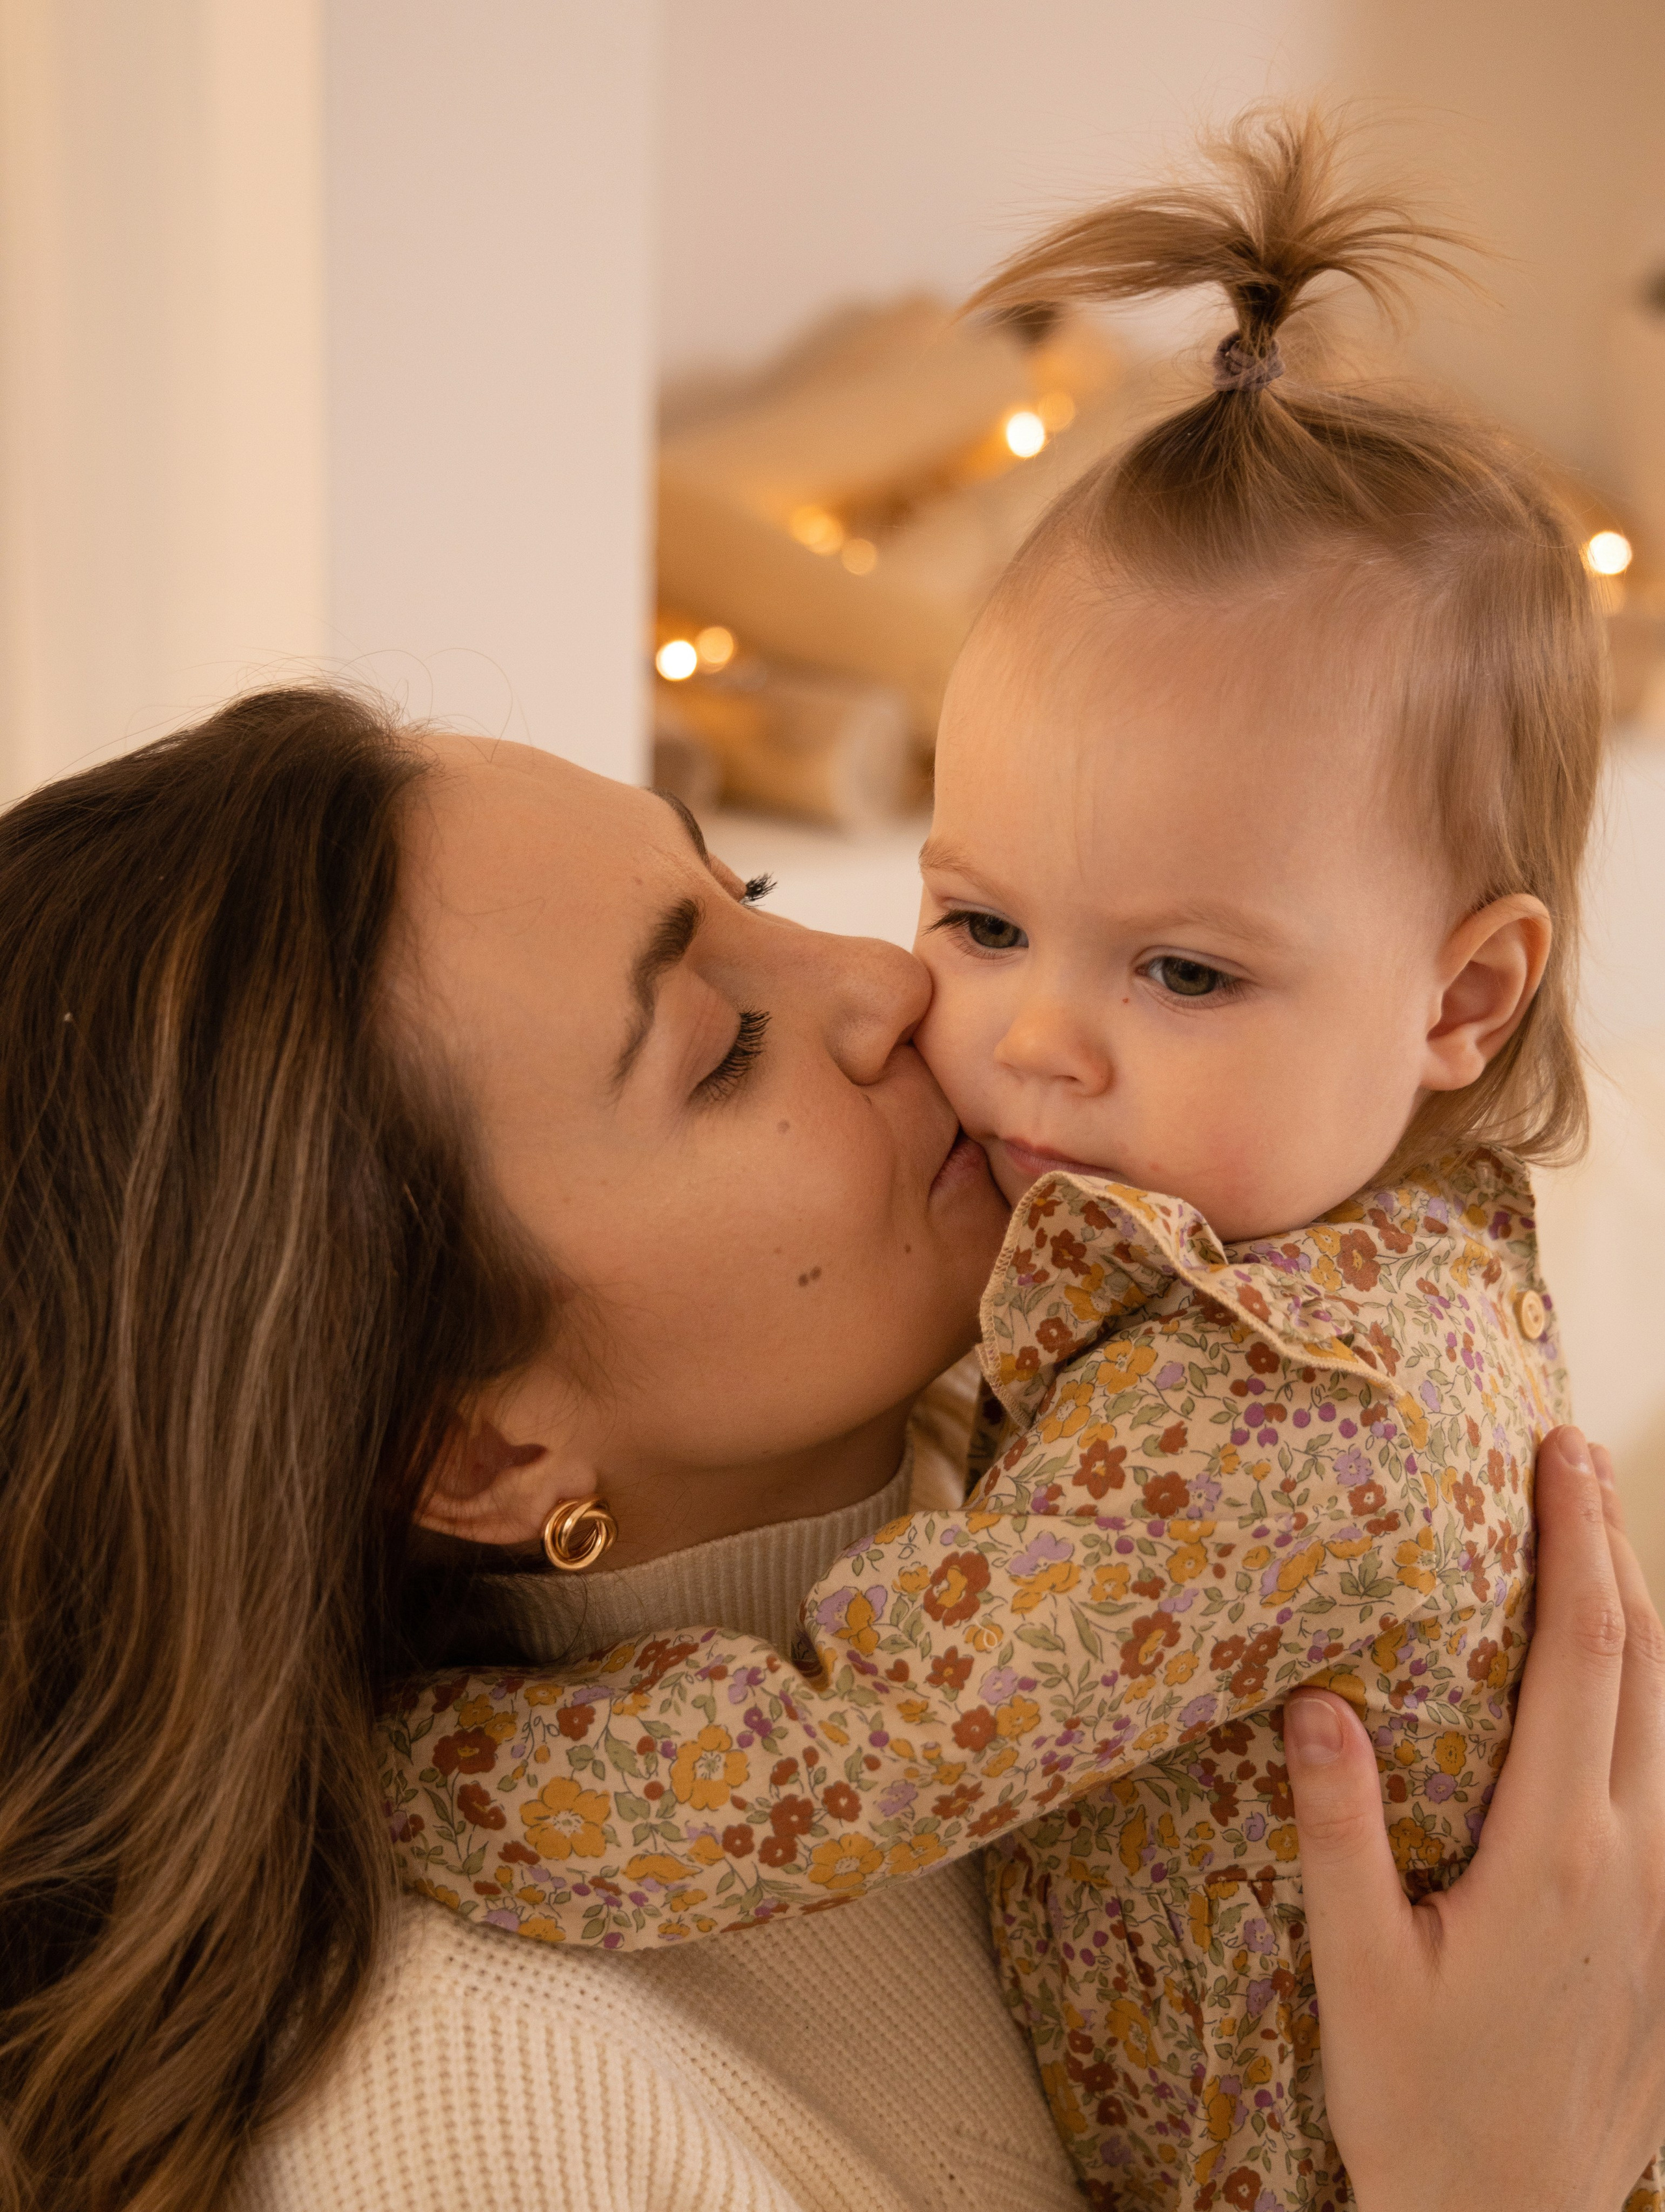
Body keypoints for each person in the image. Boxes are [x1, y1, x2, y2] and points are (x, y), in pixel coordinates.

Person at [385, 109, 1629, 2209]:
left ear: (1462, 1002)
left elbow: (842, 1746)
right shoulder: (497, 2104)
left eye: (1182, 969)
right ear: (484, 1450)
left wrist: (400, 1770)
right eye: (979, 920)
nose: (997, 1033)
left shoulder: (1275, 1417)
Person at [3, 689, 1662, 2212]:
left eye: (760, 898)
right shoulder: (493, 2125)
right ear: (477, 1453)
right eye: (719, 1047)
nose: (890, 985)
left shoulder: (1135, 1457)